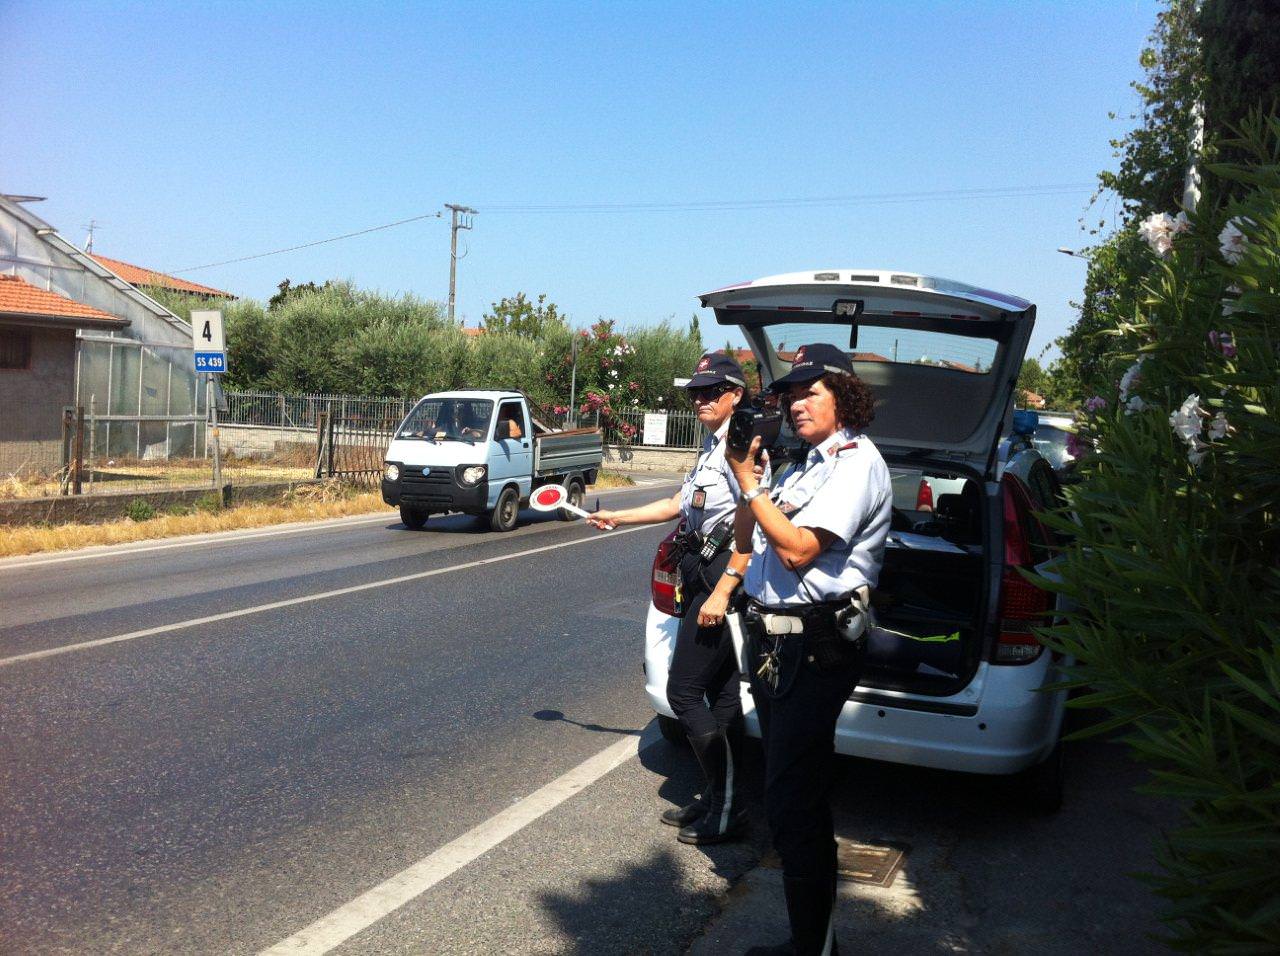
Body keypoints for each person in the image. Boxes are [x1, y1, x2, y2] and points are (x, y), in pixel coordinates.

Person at [725, 343, 892, 956]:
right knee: (786, 790)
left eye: (810, 391)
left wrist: (751, 487)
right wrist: (750, 484)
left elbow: (797, 550)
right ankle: (811, 941)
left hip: (816, 644)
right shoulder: (801, 466)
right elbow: (748, 540)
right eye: (790, 393)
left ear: (843, 395)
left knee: (794, 797)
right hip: (775, 642)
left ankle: (814, 948)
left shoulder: (856, 462)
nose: (796, 403)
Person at [588, 351, 760, 844]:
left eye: (712, 391)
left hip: (723, 582)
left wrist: (725, 590)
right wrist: (617, 518)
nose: (701, 399)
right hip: (704, 578)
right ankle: (718, 795)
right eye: (695, 393)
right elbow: (675, 505)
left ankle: (729, 806)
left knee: (683, 692)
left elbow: (752, 524)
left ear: (736, 395)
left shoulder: (742, 450)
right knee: (723, 694)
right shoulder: (712, 447)